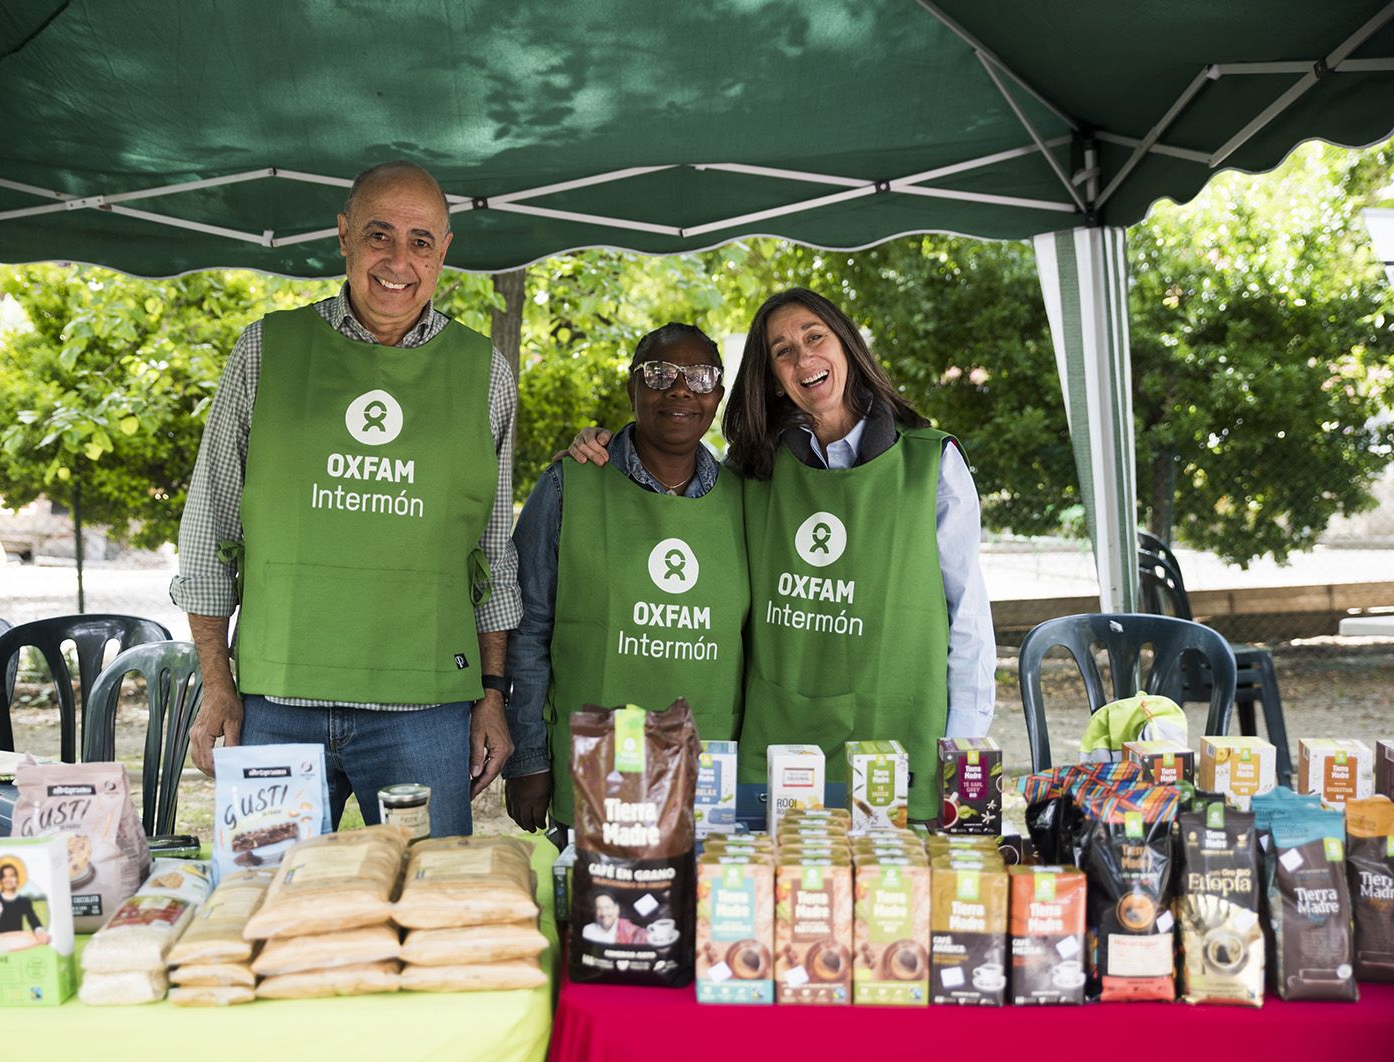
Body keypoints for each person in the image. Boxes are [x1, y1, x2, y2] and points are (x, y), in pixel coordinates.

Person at [176, 160, 520, 836]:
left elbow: (493, 554)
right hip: (277, 703)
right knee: (268, 907)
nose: (399, 260)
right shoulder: (265, 352)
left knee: (427, 908)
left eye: (422, 241)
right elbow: (207, 526)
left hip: (426, 709)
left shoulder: (484, 374)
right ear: (342, 235)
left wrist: (492, 696)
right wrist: (217, 683)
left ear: (445, 251)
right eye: (378, 235)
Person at [568, 288, 994, 823]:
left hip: (897, 741)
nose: (803, 358)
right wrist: (602, 447)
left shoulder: (931, 464)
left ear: (847, 346)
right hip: (781, 746)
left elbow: (969, 618)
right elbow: (670, 480)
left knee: (887, 901)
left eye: (815, 337)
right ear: (771, 376)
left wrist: (963, 745)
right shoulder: (753, 472)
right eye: (782, 351)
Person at [503, 324, 748, 837]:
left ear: (718, 396)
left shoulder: (748, 501)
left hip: (709, 772)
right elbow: (527, 632)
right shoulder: (570, 485)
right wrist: (529, 759)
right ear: (631, 388)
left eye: (700, 377)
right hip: (594, 765)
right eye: (659, 374)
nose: (680, 389)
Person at [0, 862, 49, 946]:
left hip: (18, 939)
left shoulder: (24, 901)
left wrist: (39, 931)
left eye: (12, 876)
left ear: (17, 878)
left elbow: (32, 918)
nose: (8, 880)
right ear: (0, 880)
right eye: (4, 876)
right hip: (0, 940)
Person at [580, 893, 649, 945]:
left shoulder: (634, 931)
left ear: (616, 909)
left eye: (607, 908)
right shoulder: (588, 930)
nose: (604, 913)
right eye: (599, 908)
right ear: (595, 911)